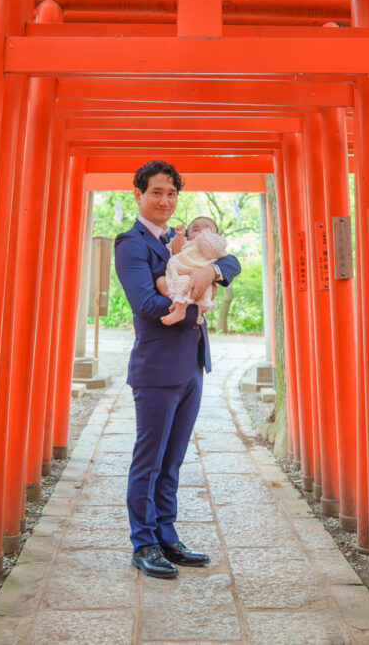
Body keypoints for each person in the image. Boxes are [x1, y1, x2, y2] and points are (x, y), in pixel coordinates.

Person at [114, 160, 241, 579]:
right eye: (155, 192)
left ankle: (167, 533)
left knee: (174, 459)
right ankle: (143, 543)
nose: (164, 201)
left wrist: (212, 270)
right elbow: (147, 306)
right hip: (157, 366)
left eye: (171, 193)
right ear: (138, 194)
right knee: (149, 459)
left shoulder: (182, 238)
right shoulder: (130, 244)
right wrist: (193, 308)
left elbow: (233, 262)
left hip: (192, 365)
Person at [158, 216, 228, 326]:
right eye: (196, 230)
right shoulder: (187, 244)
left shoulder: (210, 247)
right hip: (177, 275)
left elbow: (221, 253)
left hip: (196, 280)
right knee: (160, 282)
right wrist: (180, 236)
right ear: (189, 235)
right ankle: (178, 300)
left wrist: (207, 238)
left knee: (185, 283)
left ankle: (181, 310)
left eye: (207, 230)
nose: (201, 232)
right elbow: (176, 251)